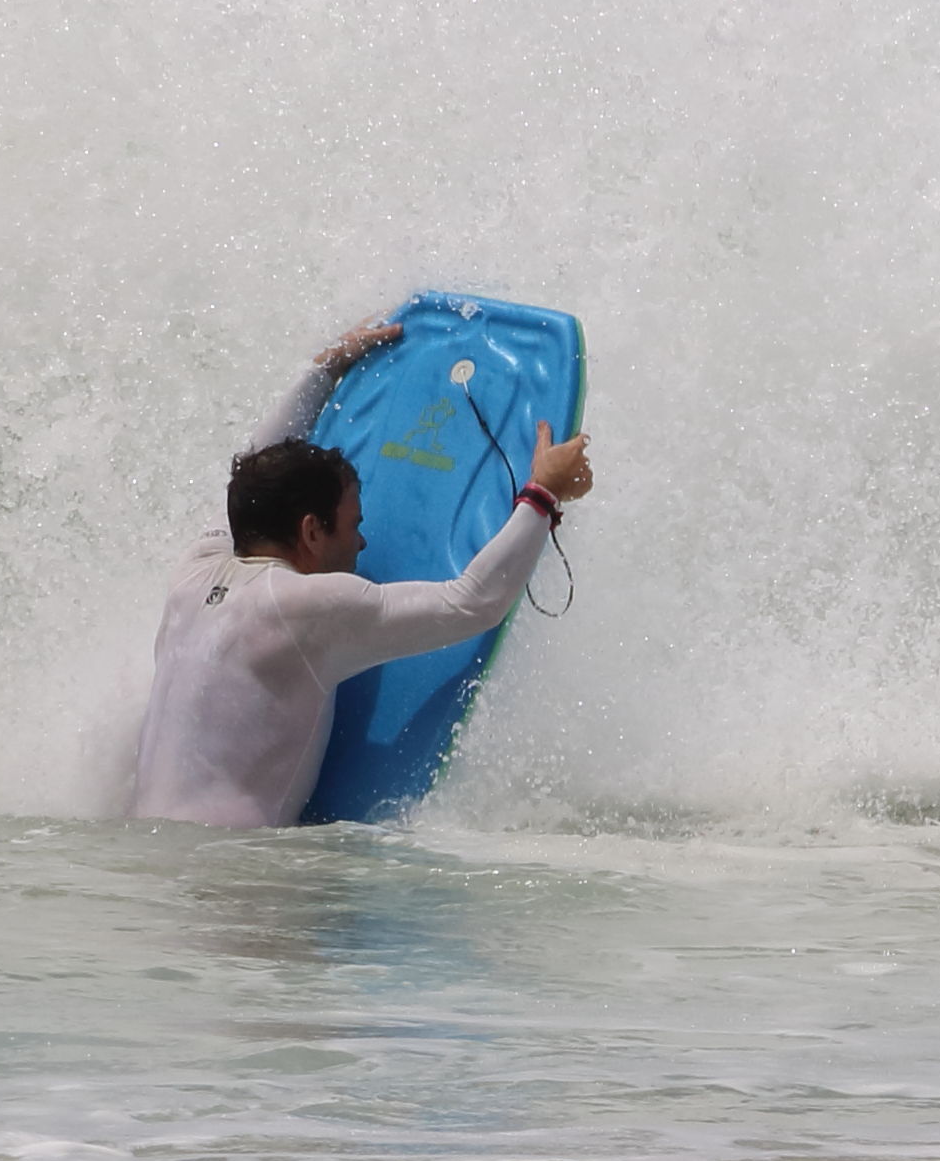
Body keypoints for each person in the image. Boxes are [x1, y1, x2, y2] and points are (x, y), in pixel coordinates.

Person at [128, 319, 595, 827]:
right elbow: (472, 603)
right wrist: (542, 494)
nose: (363, 543)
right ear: (311, 531)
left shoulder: (194, 571)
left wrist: (324, 371)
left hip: (146, 850)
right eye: (354, 525)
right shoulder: (300, 608)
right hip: (233, 869)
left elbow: (251, 472)